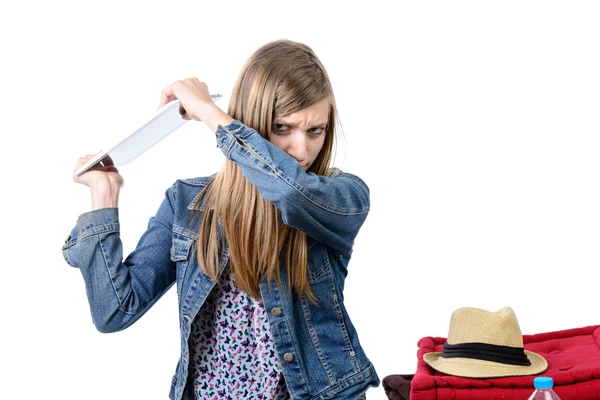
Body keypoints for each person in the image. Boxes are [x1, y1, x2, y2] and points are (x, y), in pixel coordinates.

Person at [62, 39, 380, 400]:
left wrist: (208, 112)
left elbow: (291, 191)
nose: (301, 150)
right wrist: (103, 197)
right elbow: (115, 311)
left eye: (314, 131)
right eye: (282, 128)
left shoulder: (341, 197)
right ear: (252, 121)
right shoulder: (187, 203)